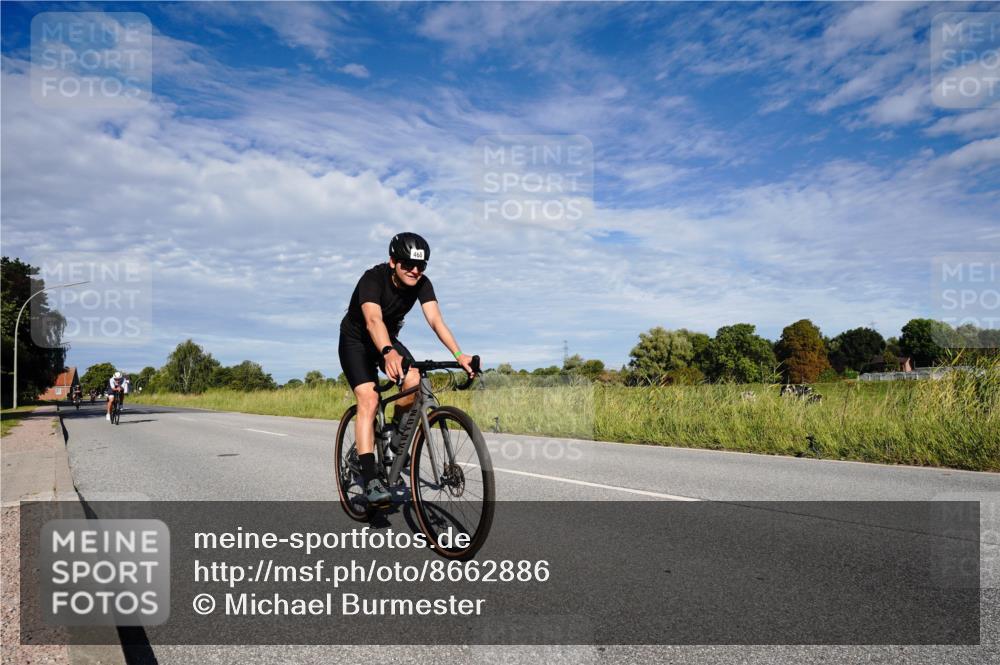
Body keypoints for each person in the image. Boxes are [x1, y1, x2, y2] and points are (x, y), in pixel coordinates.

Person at [338, 232, 476, 508]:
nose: (415, 270)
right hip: (357, 341)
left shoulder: (422, 283)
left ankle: (395, 443)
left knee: (413, 378)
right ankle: (371, 478)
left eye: (421, 265)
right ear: (393, 262)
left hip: (386, 340)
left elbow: (436, 321)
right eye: (408, 264)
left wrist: (459, 355)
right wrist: (388, 352)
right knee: (369, 399)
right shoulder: (372, 279)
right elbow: (373, 320)